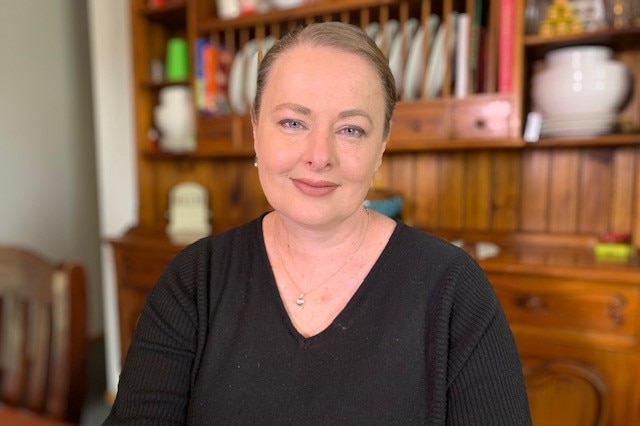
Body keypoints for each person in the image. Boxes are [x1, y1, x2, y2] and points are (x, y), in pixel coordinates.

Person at [104, 21, 532, 425]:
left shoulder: (454, 290)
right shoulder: (195, 281)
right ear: (256, 131)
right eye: (292, 122)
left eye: (350, 130)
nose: (319, 154)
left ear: (381, 147)